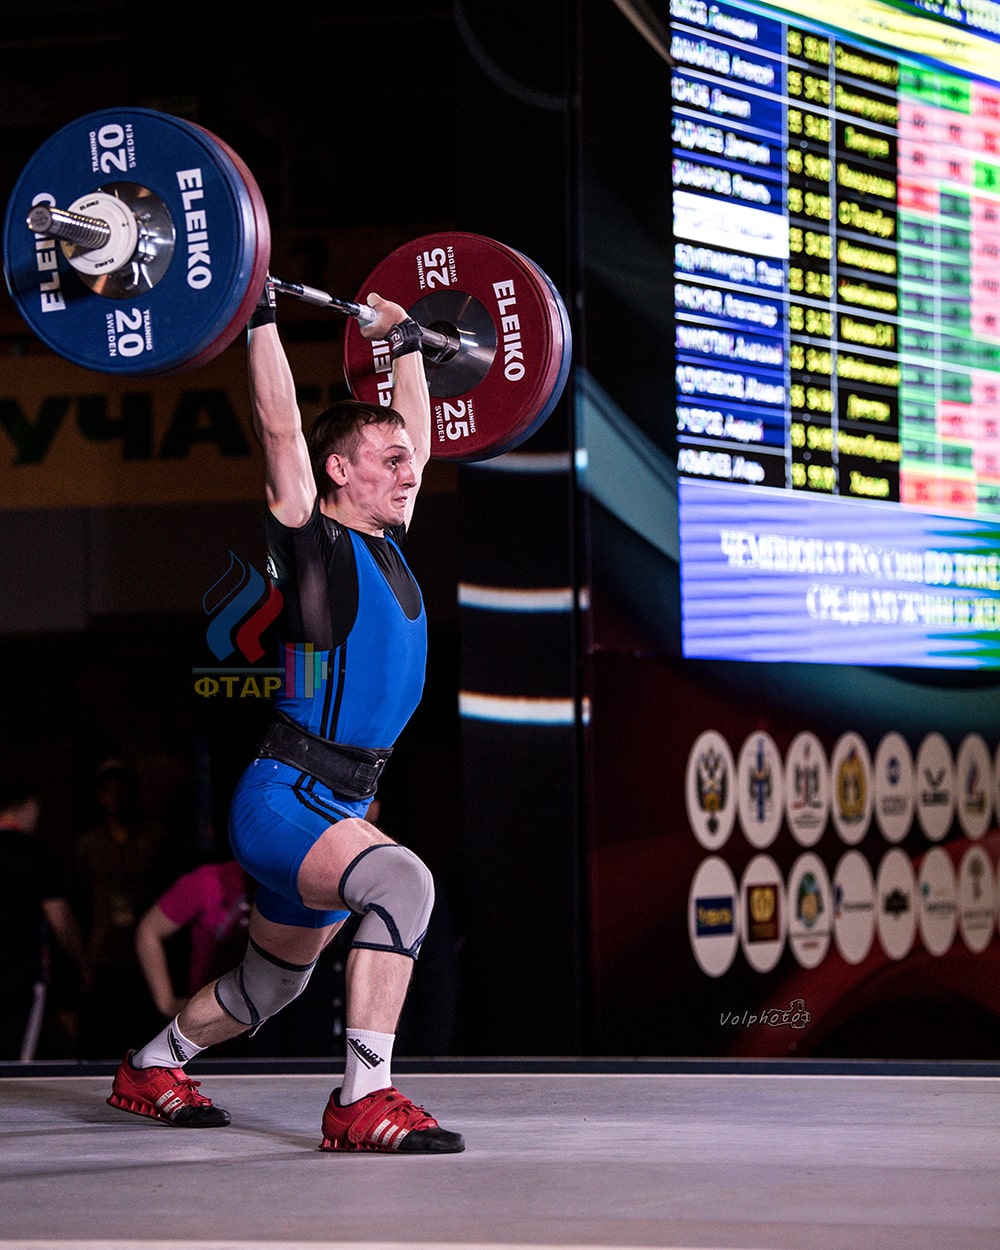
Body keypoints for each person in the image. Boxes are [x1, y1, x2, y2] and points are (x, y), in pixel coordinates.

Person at [107, 276, 465, 1153]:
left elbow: (414, 439)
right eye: (388, 461)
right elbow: (279, 431)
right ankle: (361, 1100)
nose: (409, 472)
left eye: (407, 463)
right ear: (339, 471)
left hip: (338, 802)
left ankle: (152, 1065)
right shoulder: (315, 543)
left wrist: (406, 345)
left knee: (272, 985)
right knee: (405, 884)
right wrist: (256, 311)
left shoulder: (389, 541)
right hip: (287, 796)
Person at [73, 758, 171, 1058]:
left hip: (146, 950)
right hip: (103, 951)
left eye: (121, 789)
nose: (116, 797)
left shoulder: (155, 837)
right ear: (99, 796)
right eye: (108, 790)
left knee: (144, 1032)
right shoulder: (89, 844)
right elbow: (80, 898)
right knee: (102, 1034)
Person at [0, 771, 90, 1061]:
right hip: (21, 975)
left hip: (18, 973)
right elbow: (60, 919)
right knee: (15, 1062)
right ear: (28, 805)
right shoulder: (35, 852)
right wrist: (82, 962)